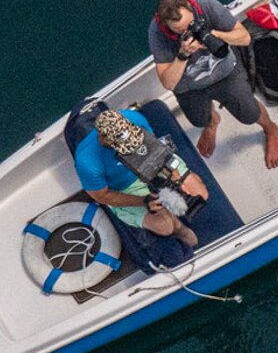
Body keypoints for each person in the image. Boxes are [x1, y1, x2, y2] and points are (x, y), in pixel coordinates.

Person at [68, 99, 211, 270]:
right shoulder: (87, 161)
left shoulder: (134, 118)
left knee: (200, 193)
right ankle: (177, 226)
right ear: (103, 138)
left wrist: (175, 176)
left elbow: (156, 148)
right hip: (125, 186)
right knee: (164, 227)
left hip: (153, 162)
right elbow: (102, 195)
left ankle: (173, 213)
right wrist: (143, 201)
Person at [148, 0, 278, 169]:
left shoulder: (206, 4)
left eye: (191, 25)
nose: (188, 31)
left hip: (224, 72)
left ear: (191, 8)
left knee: (250, 113)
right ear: (167, 26)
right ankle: (212, 122)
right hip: (189, 86)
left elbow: (245, 38)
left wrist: (215, 35)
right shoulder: (157, 32)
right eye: (180, 30)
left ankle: (270, 128)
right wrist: (183, 55)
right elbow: (168, 83)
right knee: (199, 121)